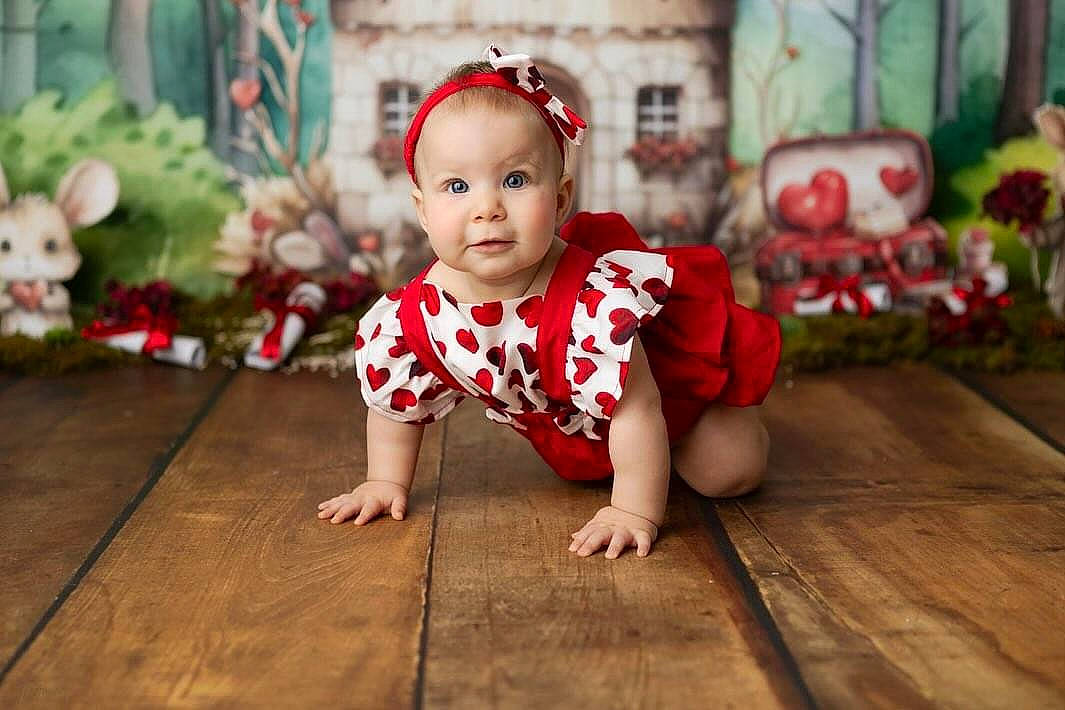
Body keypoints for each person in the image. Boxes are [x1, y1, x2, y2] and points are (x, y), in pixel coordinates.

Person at [318, 45, 781, 560]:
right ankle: (634, 462)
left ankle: (734, 423)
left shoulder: (593, 302)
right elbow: (395, 410)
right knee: (585, 470)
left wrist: (632, 509)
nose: (487, 208)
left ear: (560, 199)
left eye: (515, 181)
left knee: (727, 472)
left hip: (663, 401)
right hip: (571, 429)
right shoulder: (415, 319)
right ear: (422, 210)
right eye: (457, 186)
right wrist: (384, 481)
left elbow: (637, 408)